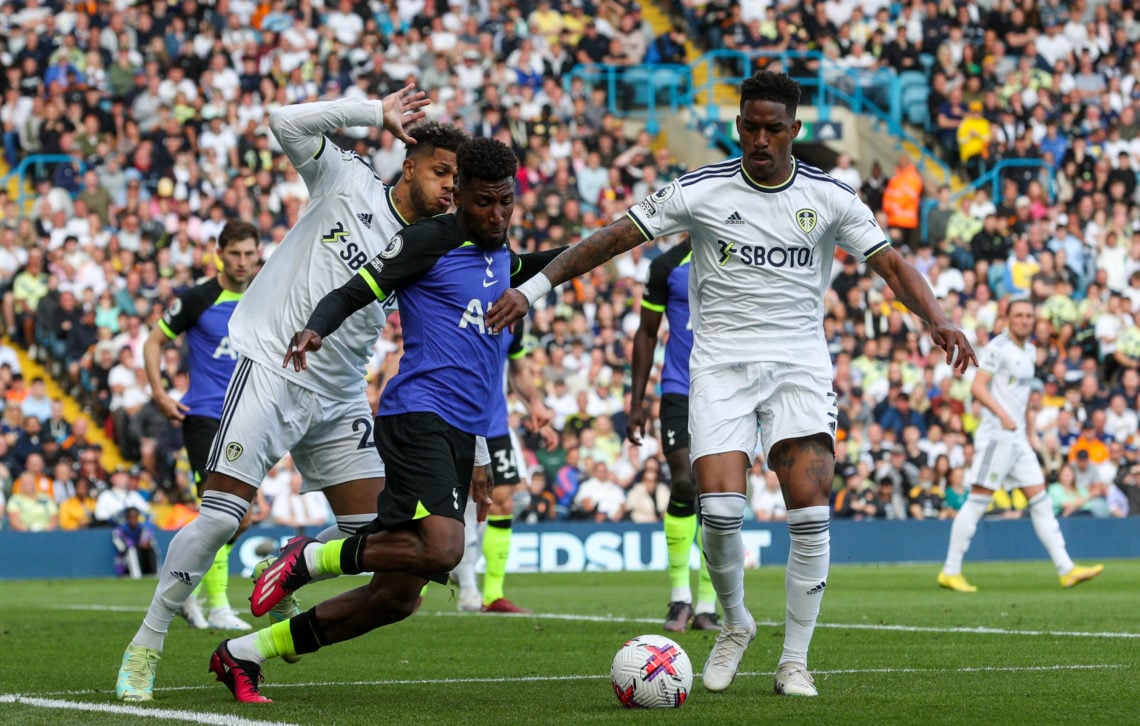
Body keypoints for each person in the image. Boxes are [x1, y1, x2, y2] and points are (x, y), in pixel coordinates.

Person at [484, 71, 976, 698]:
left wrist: (936, 318)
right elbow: (611, 238)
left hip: (798, 366)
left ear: (795, 130)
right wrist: (531, 289)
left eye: (774, 128)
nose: (760, 138)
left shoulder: (831, 197)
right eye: (750, 126)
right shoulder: (701, 191)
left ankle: (794, 660)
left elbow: (892, 265)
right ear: (738, 125)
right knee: (718, 512)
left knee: (810, 513)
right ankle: (735, 623)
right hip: (719, 368)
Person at [115, 85, 450, 703]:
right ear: (409, 164)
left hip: (342, 395)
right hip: (273, 368)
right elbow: (281, 119)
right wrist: (372, 112)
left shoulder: (432, 246)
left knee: (383, 541)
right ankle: (148, 641)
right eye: (440, 172)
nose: (449, 187)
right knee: (219, 518)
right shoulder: (347, 180)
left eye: (456, 178)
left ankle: (295, 556)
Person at [213, 137, 554, 703]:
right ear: (460, 196)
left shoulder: (504, 261)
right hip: (415, 415)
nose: (497, 215)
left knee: (396, 598)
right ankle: (311, 557)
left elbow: (492, 350)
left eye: (506, 203)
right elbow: (355, 289)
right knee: (446, 549)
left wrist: (478, 457)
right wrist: (316, 326)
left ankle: (243, 655)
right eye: (484, 203)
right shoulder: (426, 242)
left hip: (460, 432)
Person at [142, 220, 260, 631]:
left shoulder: (266, 298)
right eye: (235, 254)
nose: (242, 262)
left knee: (242, 517)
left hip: (248, 417)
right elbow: (154, 341)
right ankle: (219, 606)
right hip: (205, 416)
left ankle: (182, 583)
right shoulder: (198, 299)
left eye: (249, 254)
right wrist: (160, 394)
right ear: (220, 253)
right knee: (221, 512)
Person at [938, 299, 1104, 592]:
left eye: (1029, 315)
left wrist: (1027, 427)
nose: (1025, 320)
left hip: (1017, 439)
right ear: (1007, 318)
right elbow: (978, 387)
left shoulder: (1029, 350)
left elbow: (1021, 395)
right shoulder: (997, 348)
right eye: (1019, 315)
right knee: (978, 500)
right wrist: (1003, 416)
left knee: (1040, 501)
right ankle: (950, 571)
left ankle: (1066, 569)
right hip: (996, 437)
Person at [628, 237, 719, 633]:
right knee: (685, 483)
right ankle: (680, 597)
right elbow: (646, 334)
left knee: (718, 494)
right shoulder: (666, 265)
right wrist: (636, 401)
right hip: (679, 390)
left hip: (727, 392)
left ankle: (708, 605)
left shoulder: (742, 255)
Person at [452, 322, 555, 614]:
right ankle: (462, 584)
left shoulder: (514, 315)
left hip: (495, 423)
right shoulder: (461, 300)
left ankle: (491, 594)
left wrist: (535, 404)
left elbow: (518, 367)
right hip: (452, 416)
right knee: (457, 499)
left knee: (501, 500)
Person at [113, 506, 159, 579]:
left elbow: (148, 540)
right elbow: (122, 548)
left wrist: (147, 543)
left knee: (152, 548)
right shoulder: (120, 530)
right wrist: (138, 544)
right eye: (132, 518)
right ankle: (136, 576)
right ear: (127, 518)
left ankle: (156, 574)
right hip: (125, 563)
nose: (134, 520)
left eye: (136, 518)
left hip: (141, 560)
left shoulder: (141, 528)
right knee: (132, 549)